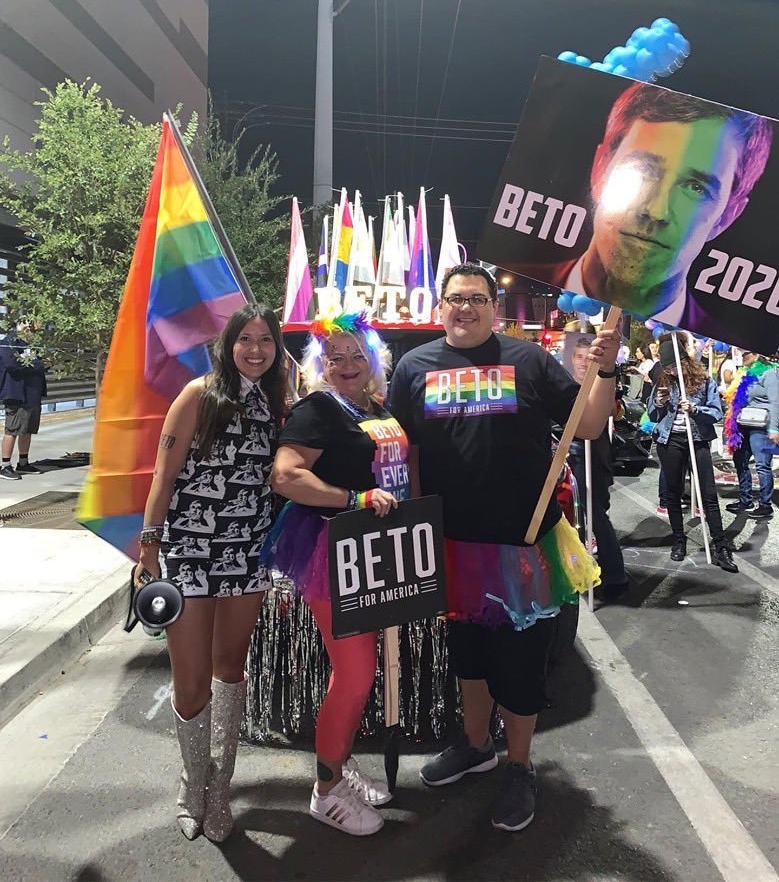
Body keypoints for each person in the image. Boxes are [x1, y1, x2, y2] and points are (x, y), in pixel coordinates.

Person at [386, 262, 620, 833]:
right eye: (455, 298)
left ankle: (519, 765)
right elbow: (405, 452)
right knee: (468, 659)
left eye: (477, 299)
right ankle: (475, 746)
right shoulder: (414, 367)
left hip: (522, 544)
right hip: (452, 544)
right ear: (439, 306)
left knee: (519, 667)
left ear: (494, 307)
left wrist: (607, 368)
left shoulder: (529, 360)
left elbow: (587, 425)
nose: (465, 308)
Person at [134, 303, 287, 842]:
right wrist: (150, 548)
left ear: (276, 349)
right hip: (190, 552)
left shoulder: (276, 403)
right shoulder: (198, 395)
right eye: (245, 339)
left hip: (247, 555)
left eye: (265, 340)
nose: (255, 349)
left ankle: (219, 790)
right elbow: (165, 473)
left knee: (230, 671)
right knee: (191, 679)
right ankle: (189, 782)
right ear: (227, 344)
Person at [265, 311, 408, 836]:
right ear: (319, 364)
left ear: (373, 359)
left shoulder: (373, 405)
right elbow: (284, 476)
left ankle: (340, 761)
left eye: (356, 355)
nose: (347, 365)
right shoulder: (319, 408)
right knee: (354, 672)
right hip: (333, 549)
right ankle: (325, 790)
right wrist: (354, 497)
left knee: (358, 671)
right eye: (335, 357)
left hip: (378, 548)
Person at [546, 84, 772, 330]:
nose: (656, 211)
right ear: (600, 169)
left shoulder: (719, 337)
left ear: (727, 217)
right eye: (643, 169)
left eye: (695, 187)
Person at [647, 335, 737, 572]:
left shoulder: (703, 380)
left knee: (708, 494)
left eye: (674, 366)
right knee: (674, 493)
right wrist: (658, 402)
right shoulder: (663, 382)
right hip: (670, 441)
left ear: (684, 361)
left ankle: (720, 545)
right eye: (667, 367)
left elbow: (716, 412)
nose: (671, 371)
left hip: (697, 440)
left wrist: (695, 409)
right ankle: (679, 539)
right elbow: (654, 417)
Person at [566, 338, 628, 603]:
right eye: (578, 357)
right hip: (569, 457)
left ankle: (614, 575)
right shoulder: (564, 385)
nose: (582, 362)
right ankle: (578, 572)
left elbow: (616, 412)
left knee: (596, 516)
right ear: (572, 359)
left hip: (594, 458)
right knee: (572, 519)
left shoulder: (601, 385)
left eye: (586, 357)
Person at [724, 349, 778, 519]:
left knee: (762, 465)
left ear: (756, 355)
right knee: (740, 460)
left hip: (762, 425)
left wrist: (774, 429)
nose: (742, 356)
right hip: (744, 423)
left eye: (746, 353)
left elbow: (776, 402)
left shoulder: (769, 373)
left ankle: (765, 504)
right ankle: (745, 499)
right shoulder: (744, 373)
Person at [0, 323, 47, 480]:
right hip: (17, 394)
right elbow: (12, 364)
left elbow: (43, 363)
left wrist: (36, 365)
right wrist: (35, 365)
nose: (33, 333)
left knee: (27, 430)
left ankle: (23, 462)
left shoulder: (33, 345)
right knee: (13, 430)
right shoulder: (10, 342)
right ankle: (5, 466)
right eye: (30, 329)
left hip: (33, 394)